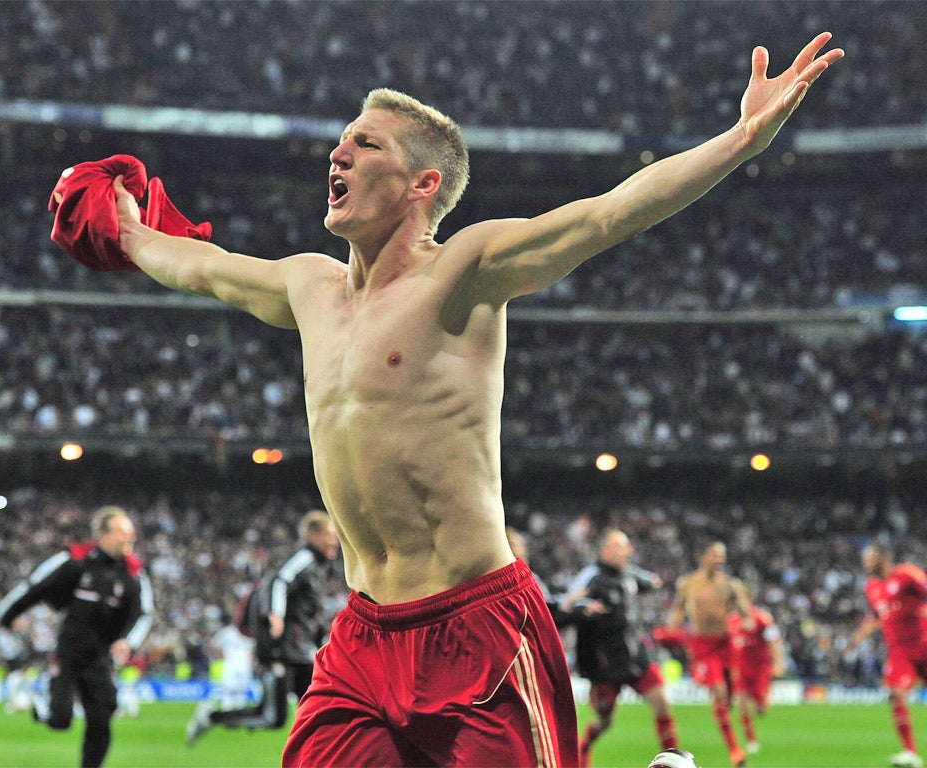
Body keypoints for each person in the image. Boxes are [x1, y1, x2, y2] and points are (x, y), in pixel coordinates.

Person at [92, 32, 842, 767]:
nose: (337, 153)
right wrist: (126, 231)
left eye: (365, 144)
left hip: (477, 625)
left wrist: (741, 138)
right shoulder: (308, 285)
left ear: (423, 184)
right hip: (362, 636)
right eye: (341, 142)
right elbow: (206, 268)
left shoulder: (465, 270)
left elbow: (607, 214)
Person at [0, 505, 153, 768]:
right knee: (60, 720)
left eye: (131, 533)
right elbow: (35, 588)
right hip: (67, 653)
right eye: (123, 532)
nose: (129, 538)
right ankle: (44, 701)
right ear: (102, 534)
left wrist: (128, 641)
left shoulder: (134, 575)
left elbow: (143, 614)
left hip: (100, 659)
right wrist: (3, 618)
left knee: (102, 719)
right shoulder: (75, 563)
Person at [186, 509, 339, 745]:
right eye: (329, 534)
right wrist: (275, 614)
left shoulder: (318, 566)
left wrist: (319, 638)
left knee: (318, 710)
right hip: (280, 647)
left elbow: (306, 612)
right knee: (274, 717)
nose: (335, 540)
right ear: (313, 535)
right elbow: (278, 580)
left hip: (301, 650)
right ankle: (212, 716)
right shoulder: (304, 558)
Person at [563, 528, 678, 768]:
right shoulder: (592, 576)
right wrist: (585, 606)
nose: (629, 551)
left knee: (661, 703)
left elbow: (649, 581)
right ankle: (583, 748)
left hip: (636, 657)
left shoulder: (628, 574)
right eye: (622, 546)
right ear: (606, 550)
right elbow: (571, 601)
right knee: (604, 721)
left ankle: (672, 763)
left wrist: (654, 582)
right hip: (605, 664)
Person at [667, 541, 750, 767]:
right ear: (703, 557)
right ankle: (735, 750)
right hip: (702, 647)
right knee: (720, 693)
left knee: (728, 695)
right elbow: (677, 611)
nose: (719, 560)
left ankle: (726, 719)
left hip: (725, 645)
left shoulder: (730, 585)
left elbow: (745, 611)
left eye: (722, 556)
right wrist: (671, 633)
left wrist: (745, 621)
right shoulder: (688, 584)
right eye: (714, 555)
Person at [844, 541, 927, 768]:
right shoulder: (871, 587)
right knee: (897, 693)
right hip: (900, 651)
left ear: (883, 558)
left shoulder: (908, 575)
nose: (866, 564)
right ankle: (910, 752)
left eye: (870, 559)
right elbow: (877, 616)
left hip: (924, 643)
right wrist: (857, 638)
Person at [727, 585, 786, 756]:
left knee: (762, 708)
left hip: (761, 669)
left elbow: (774, 641)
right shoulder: (731, 621)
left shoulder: (762, 619)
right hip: (741, 670)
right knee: (743, 705)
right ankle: (751, 740)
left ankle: (762, 703)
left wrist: (779, 663)